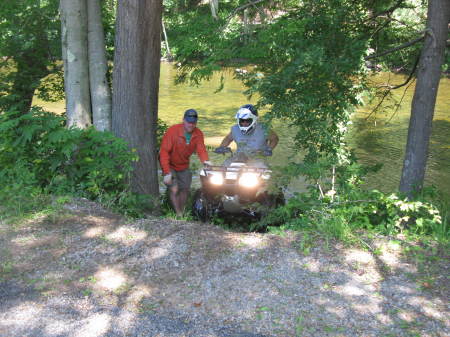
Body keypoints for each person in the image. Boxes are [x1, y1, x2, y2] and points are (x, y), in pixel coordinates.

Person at [159, 109, 211, 216]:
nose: (191, 125)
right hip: (169, 164)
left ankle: (181, 212)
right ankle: (178, 214)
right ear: (183, 120)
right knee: (174, 189)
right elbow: (163, 152)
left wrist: (206, 161)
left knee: (185, 190)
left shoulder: (198, 133)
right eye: (188, 122)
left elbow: (201, 149)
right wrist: (167, 172)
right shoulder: (173, 131)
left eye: (193, 122)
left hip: (183, 165)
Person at [215, 104, 279, 166]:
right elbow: (228, 138)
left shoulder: (264, 129)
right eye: (242, 120)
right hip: (238, 157)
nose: (244, 123)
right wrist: (222, 147)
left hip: (257, 158)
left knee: (264, 173)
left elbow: (275, 138)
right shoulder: (235, 129)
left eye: (248, 120)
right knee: (224, 167)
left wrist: (269, 149)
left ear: (254, 120)